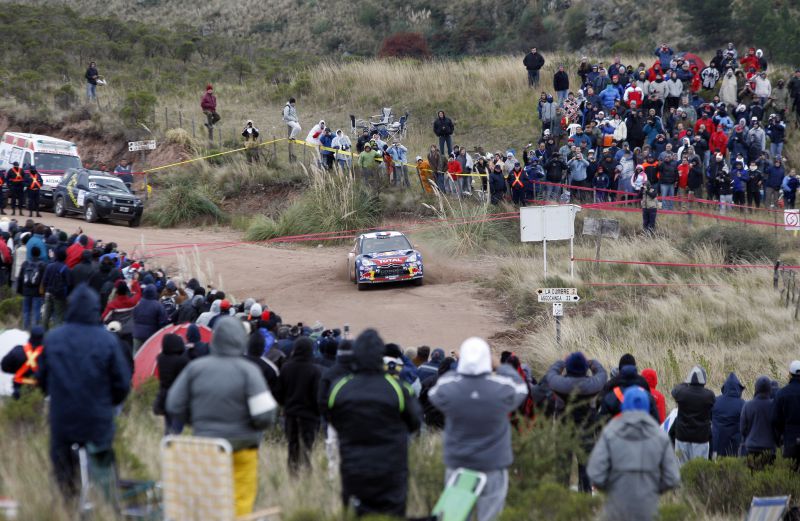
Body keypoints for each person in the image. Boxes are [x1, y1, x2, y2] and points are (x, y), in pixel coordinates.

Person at [167, 317, 278, 516]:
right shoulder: (249, 371)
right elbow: (266, 414)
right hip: (243, 447)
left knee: (209, 499)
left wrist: (196, 421)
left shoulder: (196, 368)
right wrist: (252, 427)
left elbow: (174, 404)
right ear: (240, 340)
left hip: (206, 447)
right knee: (241, 502)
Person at [38, 284, 131, 496]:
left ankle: (67, 500)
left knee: (62, 462)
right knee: (102, 457)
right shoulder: (107, 340)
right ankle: (106, 500)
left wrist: (54, 397)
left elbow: (42, 379)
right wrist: (109, 403)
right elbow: (122, 383)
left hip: (63, 415)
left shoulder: (53, 338)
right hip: (97, 416)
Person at [428, 337, 528, 521]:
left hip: (459, 464)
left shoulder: (451, 388)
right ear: (487, 360)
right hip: (492, 465)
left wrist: (461, 365)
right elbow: (521, 387)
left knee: (454, 517)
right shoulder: (501, 388)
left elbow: (435, 391)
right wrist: (499, 366)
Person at [325, 329, 421, 517]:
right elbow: (415, 423)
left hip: (354, 470)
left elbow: (332, 420)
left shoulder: (341, 387)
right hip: (391, 471)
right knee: (392, 515)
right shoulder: (397, 387)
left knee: (356, 514)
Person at [587, 386, 681, 521]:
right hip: (648, 508)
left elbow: (595, 473)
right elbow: (672, 477)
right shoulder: (660, 436)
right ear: (647, 407)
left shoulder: (610, 433)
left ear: (624, 405)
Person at [545, 352, 607, 493]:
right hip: (586, 432)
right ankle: (584, 500)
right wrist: (591, 362)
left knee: (562, 468)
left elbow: (551, 373)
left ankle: (560, 499)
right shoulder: (593, 385)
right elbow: (602, 373)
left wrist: (562, 362)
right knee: (585, 469)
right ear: (585, 369)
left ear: (569, 368)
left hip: (564, 431)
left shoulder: (559, 384)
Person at [276, 336, 321, 475]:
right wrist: (317, 412)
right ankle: (306, 478)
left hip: (290, 414)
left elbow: (278, 392)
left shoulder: (286, 368)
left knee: (292, 447)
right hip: (308, 417)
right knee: (307, 448)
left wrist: (286, 404)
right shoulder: (314, 370)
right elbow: (317, 396)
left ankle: (293, 475)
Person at [671, 365, 716, 466]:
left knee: (681, 468)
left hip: (682, 436)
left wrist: (685, 383)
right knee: (699, 469)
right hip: (701, 438)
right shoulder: (709, 396)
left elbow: (674, 391)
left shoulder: (681, 393)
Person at [154, 333, 188, 435]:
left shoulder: (160, 358)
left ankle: (167, 443)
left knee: (168, 424)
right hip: (178, 396)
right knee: (177, 426)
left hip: (164, 394)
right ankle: (172, 443)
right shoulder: (182, 361)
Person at [741, 376, 777, 469]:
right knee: (768, 477)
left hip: (751, 447)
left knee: (751, 476)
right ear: (770, 389)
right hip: (769, 448)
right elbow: (778, 427)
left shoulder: (747, 405)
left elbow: (742, 429)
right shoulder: (774, 405)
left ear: (756, 388)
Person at [0, 326, 45, 399]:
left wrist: (17, 370)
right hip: (39, 393)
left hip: (18, 390)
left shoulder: (17, 351)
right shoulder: (47, 355)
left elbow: (3, 366)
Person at [772, 360, 800, 468]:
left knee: (790, 473)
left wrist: (779, 438)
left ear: (789, 375)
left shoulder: (782, 393)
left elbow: (775, 419)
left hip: (789, 440)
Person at [711, 373, 745, 457]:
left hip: (717, 444)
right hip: (735, 446)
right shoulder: (742, 404)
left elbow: (709, 418)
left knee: (715, 468)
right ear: (738, 389)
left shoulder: (715, 401)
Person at [42, 247, 71, 330]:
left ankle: (43, 332)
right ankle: (56, 335)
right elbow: (69, 283)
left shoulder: (49, 266)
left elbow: (44, 281)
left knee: (46, 315)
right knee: (58, 316)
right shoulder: (66, 269)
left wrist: (45, 292)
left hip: (48, 292)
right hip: (59, 295)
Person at [17, 245, 45, 329]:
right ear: (39, 254)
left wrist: (20, 291)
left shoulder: (25, 263)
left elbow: (20, 278)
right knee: (36, 311)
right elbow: (43, 280)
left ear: (31, 253)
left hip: (26, 291)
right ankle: (35, 330)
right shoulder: (42, 265)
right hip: (37, 293)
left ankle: (25, 328)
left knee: (26, 311)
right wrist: (43, 292)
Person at [132, 284, 168, 352]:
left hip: (137, 334)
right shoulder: (158, 305)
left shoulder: (138, 303)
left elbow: (134, 315)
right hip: (151, 336)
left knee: (137, 355)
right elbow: (163, 321)